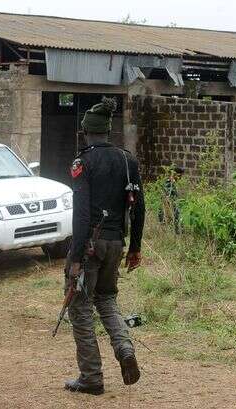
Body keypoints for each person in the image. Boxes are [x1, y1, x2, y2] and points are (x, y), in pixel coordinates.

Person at [64, 97, 145, 395]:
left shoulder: (82, 162)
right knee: (107, 299)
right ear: (108, 132)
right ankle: (124, 349)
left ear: (86, 132)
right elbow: (139, 209)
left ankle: (91, 377)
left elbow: (82, 214)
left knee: (80, 307)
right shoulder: (127, 160)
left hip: (89, 247)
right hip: (115, 245)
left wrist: (75, 257)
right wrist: (135, 248)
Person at [158, 166, 184, 234]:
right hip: (168, 208)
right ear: (176, 175)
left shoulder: (173, 182)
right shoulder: (169, 183)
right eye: (180, 175)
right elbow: (166, 197)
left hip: (171, 207)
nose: (181, 177)